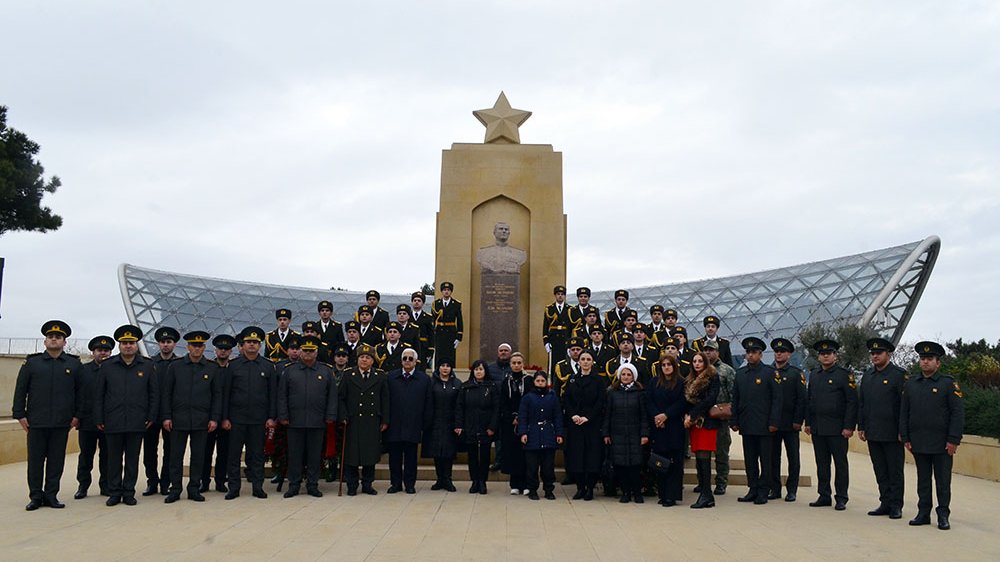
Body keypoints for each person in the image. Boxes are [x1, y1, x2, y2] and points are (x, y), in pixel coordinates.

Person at [13, 320, 83, 510]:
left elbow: (80, 393)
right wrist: (20, 415)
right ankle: (36, 496)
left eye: (58, 337)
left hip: (62, 422)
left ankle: (51, 495)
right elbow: (21, 391)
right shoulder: (32, 363)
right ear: (45, 342)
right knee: (35, 461)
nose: (54, 339)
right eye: (50, 337)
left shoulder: (74, 364)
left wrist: (77, 416)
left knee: (55, 461)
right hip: (36, 422)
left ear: (64, 342)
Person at [901, 341, 964, 530]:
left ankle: (943, 514)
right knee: (923, 480)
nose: (925, 362)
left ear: (938, 363)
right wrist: (905, 437)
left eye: (930, 359)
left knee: (943, 481)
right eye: (922, 359)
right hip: (918, 441)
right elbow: (904, 412)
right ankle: (923, 513)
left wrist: (953, 440)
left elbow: (958, 413)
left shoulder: (948, 384)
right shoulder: (911, 384)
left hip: (942, 443)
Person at [95, 325, 158, 506]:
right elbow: (99, 394)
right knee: (113, 459)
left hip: (137, 420)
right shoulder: (107, 366)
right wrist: (99, 418)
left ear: (136, 345)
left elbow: (154, 394)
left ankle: (129, 492)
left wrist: (151, 416)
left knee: (132, 459)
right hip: (112, 421)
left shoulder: (146, 366)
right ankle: (115, 492)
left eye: (131, 343)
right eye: (124, 343)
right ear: (119, 345)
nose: (128, 346)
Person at [161, 331, 222, 503]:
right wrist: (166, 417)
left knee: (198, 457)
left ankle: (194, 488)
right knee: (175, 456)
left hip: (202, 421)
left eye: (200, 345)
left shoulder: (211, 368)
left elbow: (217, 395)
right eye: (193, 345)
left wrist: (214, 418)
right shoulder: (175, 366)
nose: (197, 348)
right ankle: (175, 489)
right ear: (187, 347)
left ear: (204, 347)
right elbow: (167, 393)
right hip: (178, 420)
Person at [277, 336, 338, 498]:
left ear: (317, 352)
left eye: (312, 351)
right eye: (305, 351)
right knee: (295, 455)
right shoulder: (290, 371)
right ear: (301, 352)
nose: (308, 354)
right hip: (294, 421)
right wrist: (283, 415)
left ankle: (312, 485)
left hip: (317, 421)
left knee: (314, 455)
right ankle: (294, 485)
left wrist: (330, 415)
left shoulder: (325, 371)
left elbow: (332, 396)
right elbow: (282, 395)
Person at [222, 327, 277, 500]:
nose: (252, 345)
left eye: (255, 342)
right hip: (236, 419)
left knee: (257, 455)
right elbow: (226, 394)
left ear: (259, 345)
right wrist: (225, 417)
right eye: (248, 342)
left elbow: (273, 395)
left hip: (259, 420)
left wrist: (271, 417)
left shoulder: (268, 366)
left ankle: (257, 487)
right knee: (234, 455)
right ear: (243, 345)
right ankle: (234, 487)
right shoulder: (233, 366)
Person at [805, 339, 858, 511]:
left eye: (829, 353)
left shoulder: (844, 375)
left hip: (837, 428)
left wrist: (849, 426)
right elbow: (810, 400)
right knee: (822, 463)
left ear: (835, 355)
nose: (825, 356)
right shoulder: (814, 374)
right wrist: (809, 423)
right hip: (818, 428)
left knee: (840, 463)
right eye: (822, 354)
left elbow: (852, 402)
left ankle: (841, 497)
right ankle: (824, 495)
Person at [859, 337, 908, 519]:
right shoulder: (868, 376)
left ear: (888, 354)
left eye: (878, 353)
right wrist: (862, 426)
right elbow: (862, 404)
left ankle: (896, 505)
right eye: (872, 353)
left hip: (892, 433)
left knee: (894, 471)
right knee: (880, 470)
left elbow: (904, 406)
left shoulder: (899, 375)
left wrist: (903, 431)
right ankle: (885, 502)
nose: (875, 356)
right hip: (873, 431)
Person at [730, 337, 781, 505]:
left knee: (765, 460)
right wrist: (734, 420)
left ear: (760, 354)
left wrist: (774, 422)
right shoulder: (740, 374)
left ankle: (763, 490)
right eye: (748, 352)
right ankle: (752, 488)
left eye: (754, 352)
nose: (750, 355)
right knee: (750, 459)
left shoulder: (770, 373)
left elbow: (776, 400)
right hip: (747, 424)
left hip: (765, 425)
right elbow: (735, 399)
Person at [338, 344, 389, 496]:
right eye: (362, 357)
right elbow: (340, 398)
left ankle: (367, 484)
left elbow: (385, 399)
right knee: (351, 455)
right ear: (357, 359)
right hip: (353, 421)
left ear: (373, 361)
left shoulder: (380, 376)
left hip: (372, 421)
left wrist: (385, 420)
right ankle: (352, 485)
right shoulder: (349, 375)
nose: (364, 360)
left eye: (368, 358)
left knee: (370, 454)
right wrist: (343, 415)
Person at [385, 348, 432, 494]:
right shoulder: (391, 377)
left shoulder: (424, 379)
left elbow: (428, 403)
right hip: (394, 424)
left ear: (415, 362)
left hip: (414, 424)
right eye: (404, 358)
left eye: (410, 359)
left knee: (411, 458)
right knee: (394, 458)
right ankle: (395, 484)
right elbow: (386, 401)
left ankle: (410, 484)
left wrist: (426, 423)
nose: (407, 361)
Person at [602, 363, 650, 504]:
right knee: (621, 466)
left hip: (635, 434)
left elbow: (644, 416)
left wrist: (644, 434)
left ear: (633, 377)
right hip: (618, 434)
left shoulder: (640, 393)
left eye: (629, 374)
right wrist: (606, 433)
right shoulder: (612, 393)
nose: (626, 377)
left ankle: (637, 493)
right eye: (623, 374)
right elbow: (608, 415)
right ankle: (625, 493)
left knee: (635, 466)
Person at [563, 349, 606, 500]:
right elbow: (566, 399)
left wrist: (588, 417)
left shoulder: (599, 380)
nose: (585, 362)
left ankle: (590, 488)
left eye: (588, 359)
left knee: (591, 456)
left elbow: (601, 401)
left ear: (592, 362)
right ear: (579, 362)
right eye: (583, 359)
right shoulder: (572, 379)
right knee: (577, 456)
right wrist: (573, 415)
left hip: (592, 424)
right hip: (575, 424)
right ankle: (580, 487)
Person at [645, 354, 687, 507]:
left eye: (669, 364)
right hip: (658, 427)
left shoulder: (681, 382)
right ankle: (662, 493)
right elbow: (648, 400)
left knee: (675, 463)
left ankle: (672, 495)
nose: (666, 367)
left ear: (674, 366)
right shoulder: (654, 382)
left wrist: (666, 415)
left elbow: (682, 402)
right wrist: (657, 417)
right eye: (663, 365)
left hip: (674, 426)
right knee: (660, 462)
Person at [75, 335, 113, 500]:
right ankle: (83, 486)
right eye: (99, 350)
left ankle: (105, 485)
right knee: (86, 456)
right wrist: (77, 416)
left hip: (109, 422)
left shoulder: (115, 369)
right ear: (93, 352)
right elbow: (77, 395)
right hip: (87, 421)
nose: (102, 353)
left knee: (107, 456)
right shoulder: (83, 370)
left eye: (106, 350)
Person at [769, 338, 807, 502]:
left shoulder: (796, 374)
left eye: (782, 351)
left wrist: (798, 420)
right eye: (777, 351)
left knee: (793, 458)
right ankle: (775, 489)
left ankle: (792, 490)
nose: (779, 354)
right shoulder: (768, 372)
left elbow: (802, 399)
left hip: (791, 423)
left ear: (789, 354)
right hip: (773, 424)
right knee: (772, 458)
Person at [456, 359, 500, 494]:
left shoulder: (492, 386)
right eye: (476, 369)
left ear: (485, 371)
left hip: (486, 427)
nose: (478, 372)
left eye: (481, 369)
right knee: (472, 456)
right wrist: (459, 425)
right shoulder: (465, 387)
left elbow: (496, 409)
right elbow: (459, 407)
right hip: (470, 426)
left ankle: (483, 482)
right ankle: (474, 481)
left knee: (485, 456)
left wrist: (492, 427)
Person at [144, 326, 179, 497]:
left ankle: (166, 482)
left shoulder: (180, 364)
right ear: (158, 344)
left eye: (169, 342)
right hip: (152, 415)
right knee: (150, 451)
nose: (166, 345)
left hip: (171, 416)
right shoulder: (150, 364)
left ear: (174, 344)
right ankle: (152, 482)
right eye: (163, 342)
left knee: (170, 451)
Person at [518, 371, 564, 500]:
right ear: (534, 382)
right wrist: (523, 433)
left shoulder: (552, 397)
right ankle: (532, 489)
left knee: (548, 467)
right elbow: (523, 417)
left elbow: (557, 416)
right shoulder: (527, 398)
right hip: (532, 434)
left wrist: (559, 433)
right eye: (538, 381)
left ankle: (549, 489)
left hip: (548, 435)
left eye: (542, 381)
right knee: (532, 467)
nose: (540, 383)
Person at [685, 351, 721, 509]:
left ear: (706, 362)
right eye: (695, 361)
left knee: (704, 457)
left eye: (700, 361)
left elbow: (710, 400)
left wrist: (692, 415)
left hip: (706, 422)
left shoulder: (712, 377)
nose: (697, 364)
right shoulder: (690, 379)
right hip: (695, 424)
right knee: (699, 458)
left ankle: (706, 494)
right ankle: (706, 493)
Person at [201, 333, 235, 494]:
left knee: (224, 453)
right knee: (205, 452)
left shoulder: (234, 369)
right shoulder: (208, 367)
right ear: (215, 350)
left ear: (231, 351)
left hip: (227, 419)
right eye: (220, 348)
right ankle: (204, 481)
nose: (223, 351)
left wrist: (227, 417)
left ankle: (220, 481)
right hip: (209, 418)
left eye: (226, 349)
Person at [422, 360, 462, 491]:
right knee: (437, 452)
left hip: (450, 423)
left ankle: (447, 479)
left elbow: (459, 406)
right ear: (438, 368)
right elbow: (427, 402)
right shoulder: (431, 382)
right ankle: (439, 479)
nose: (445, 368)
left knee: (448, 452)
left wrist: (458, 423)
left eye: (448, 366)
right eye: (442, 366)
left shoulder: (457, 383)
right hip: (435, 422)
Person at [703, 340, 735, 495]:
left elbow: (734, 394)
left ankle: (721, 482)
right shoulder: (700, 368)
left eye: (711, 350)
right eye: (706, 350)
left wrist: (728, 411)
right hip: (704, 418)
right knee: (703, 453)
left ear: (718, 352)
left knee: (721, 452)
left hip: (720, 417)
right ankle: (703, 482)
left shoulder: (727, 370)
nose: (708, 353)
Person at [499, 351, 531, 494]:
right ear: (510, 364)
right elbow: (503, 402)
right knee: (512, 452)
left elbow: (531, 400)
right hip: (510, 422)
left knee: (525, 453)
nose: (517, 365)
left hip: (526, 421)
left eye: (519, 363)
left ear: (523, 364)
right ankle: (515, 484)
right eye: (514, 363)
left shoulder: (529, 380)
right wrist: (512, 416)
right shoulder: (506, 381)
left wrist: (522, 417)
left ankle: (526, 484)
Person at [432, 281, 463, 369]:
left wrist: (459, 336)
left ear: (451, 291)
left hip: (451, 333)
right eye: (444, 290)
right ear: (441, 291)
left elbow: (460, 320)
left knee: (450, 355)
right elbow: (433, 320)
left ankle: (450, 374)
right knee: (439, 355)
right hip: (439, 333)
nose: (446, 292)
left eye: (448, 290)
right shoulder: (436, 304)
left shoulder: (456, 304)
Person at [543, 285, 574, 372]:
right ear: (555, 295)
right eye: (558, 294)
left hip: (565, 339)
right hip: (553, 340)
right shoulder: (549, 309)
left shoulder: (570, 309)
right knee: (553, 364)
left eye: (562, 294)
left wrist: (570, 343)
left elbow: (572, 328)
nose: (560, 296)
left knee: (565, 363)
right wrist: (546, 342)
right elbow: (545, 327)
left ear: (565, 296)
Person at [410, 291, 435, 371]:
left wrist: (431, 349)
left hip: (423, 347)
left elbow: (431, 334)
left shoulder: (428, 317)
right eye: (415, 300)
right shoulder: (407, 316)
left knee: (421, 368)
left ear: (423, 303)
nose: (417, 302)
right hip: (410, 345)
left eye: (419, 301)